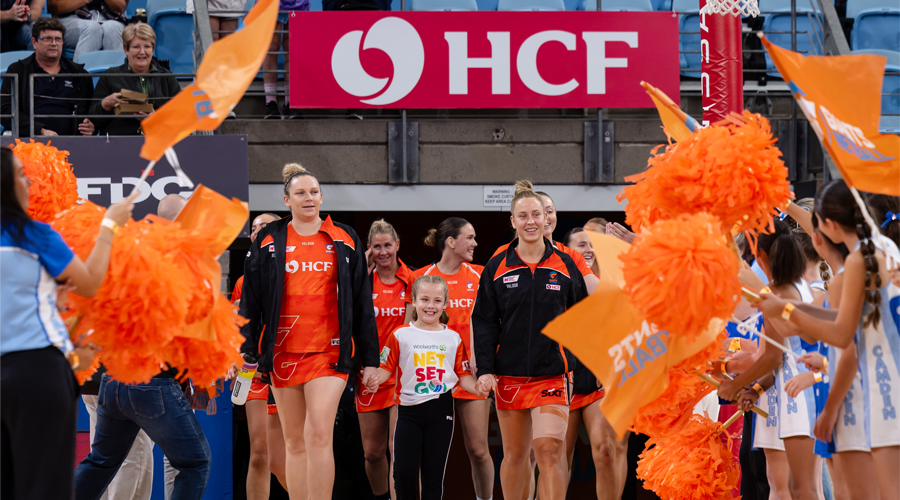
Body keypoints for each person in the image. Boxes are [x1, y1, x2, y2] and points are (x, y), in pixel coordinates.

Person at [238, 163, 379, 500]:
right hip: (283, 354)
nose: (309, 198)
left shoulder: (344, 238)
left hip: (329, 353)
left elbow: (362, 301)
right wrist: (245, 351)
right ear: (287, 200)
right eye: (300, 193)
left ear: (321, 196)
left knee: (318, 434)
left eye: (314, 192)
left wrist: (370, 359)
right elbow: (250, 301)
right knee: (293, 441)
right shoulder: (269, 239)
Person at [1, 146, 132, 500]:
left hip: (23, 370)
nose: (28, 182)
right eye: (20, 174)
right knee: (45, 486)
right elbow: (89, 282)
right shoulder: (33, 234)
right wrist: (109, 225)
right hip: (38, 374)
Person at [756, 181, 899, 500]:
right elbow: (842, 321)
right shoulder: (886, 249)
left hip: (874, 392)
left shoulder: (858, 262)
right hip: (884, 385)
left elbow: (843, 335)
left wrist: (830, 408)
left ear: (830, 224)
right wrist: (790, 309)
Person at [75, 193, 213, 500]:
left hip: (113, 379)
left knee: (101, 462)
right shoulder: (181, 258)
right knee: (195, 463)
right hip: (153, 383)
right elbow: (190, 324)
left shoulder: (131, 252)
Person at [473, 180, 588, 500]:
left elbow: (583, 315)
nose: (531, 222)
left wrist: (577, 359)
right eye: (523, 216)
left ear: (546, 217)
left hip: (553, 373)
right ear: (513, 221)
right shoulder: (497, 265)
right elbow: (483, 321)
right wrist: (485, 369)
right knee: (515, 456)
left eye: (536, 214)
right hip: (509, 375)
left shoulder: (565, 264)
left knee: (549, 451)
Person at [720, 218, 822, 500]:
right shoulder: (793, 286)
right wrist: (756, 388)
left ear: (761, 256)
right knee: (795, 486)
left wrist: (735, 384)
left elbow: (773, 355)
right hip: (791, 392)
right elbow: (780, 353)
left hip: (799, 395)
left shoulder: (780, 291)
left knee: (802, 488)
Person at [367, 275, 485, 500]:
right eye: (424, 299)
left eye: (437, 301)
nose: (431, 306)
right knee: (403, 472)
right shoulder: (400, 334)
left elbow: (463, 377)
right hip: (408, 412)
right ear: (413, 300)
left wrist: (478, 388)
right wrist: (374, 379)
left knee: (433, 476)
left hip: (440, 411)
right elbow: (385, 369)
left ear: (445, 304)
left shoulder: (453, 338)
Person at [403, 217, 495, 500]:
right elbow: (407, 329)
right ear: (451, 242)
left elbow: (490, 324)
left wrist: (483, 361)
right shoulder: (421, 277)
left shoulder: (481, 275)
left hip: (469, 373)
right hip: (429, 376)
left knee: (478, 450)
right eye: (470, 237)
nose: (475, 243)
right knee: (424, 452)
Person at [561, 227, 629, 500]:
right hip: (562, 377)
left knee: (606, 450)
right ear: (567, 250)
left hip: (598, 378)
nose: (589, 249)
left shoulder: (609, 284)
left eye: (592, 244)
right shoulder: (555, 280)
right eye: (581, 244)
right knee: (558, 458)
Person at [357, 219, 411, 500]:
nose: (383, 252)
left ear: (397, 245)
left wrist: (390, 367)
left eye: (388, 245)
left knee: (396, 447)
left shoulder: (412, 279)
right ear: (369, 248)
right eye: (376, 247)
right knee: (373, 453)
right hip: (368, 374)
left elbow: (410, 331)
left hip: (400, 374)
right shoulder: (362, 280)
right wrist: (360, 269)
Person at [231, 212, 282, 500]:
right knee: (259, 453)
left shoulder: (292, 270)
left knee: (285, 455)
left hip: (287, 372)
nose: (257, 231)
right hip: (253, 372)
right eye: (253, 228)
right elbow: (236, 330)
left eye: (265, 226)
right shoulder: (242, 280)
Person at [0, 17, 95, 137]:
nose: (54, 43)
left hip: (72, 142)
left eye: (58, 39)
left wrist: (92, 125)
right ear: (34, 42)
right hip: (29, 141)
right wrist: (40, 131)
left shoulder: (80, 75)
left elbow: (93, 111)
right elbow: (5, 111)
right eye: (47, 39)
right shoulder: (18, 71)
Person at [89, 23, 180, 136]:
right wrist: (105, 105)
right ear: (126, 50)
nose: (142, 52)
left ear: (153, 49)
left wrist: (156, 119)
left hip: (158, 141)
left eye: (147, 46)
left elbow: (183, 120)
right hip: (120, 143)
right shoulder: (110, 76)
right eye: (136, 47)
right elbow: (93, 122)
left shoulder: (167, 78)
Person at [262, 0, 304, 119]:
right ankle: (270, 103)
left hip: (298, 4)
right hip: (271, 3)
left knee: (292, 48)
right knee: (271, 47)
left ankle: (291, 102)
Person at [49, 0, 126, 62]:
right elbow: (54, 8)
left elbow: (121, 7)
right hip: (71, 19)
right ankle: (81, 76)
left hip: (109, 18)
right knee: (92, 28)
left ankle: (117, 76)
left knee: (113, 28)